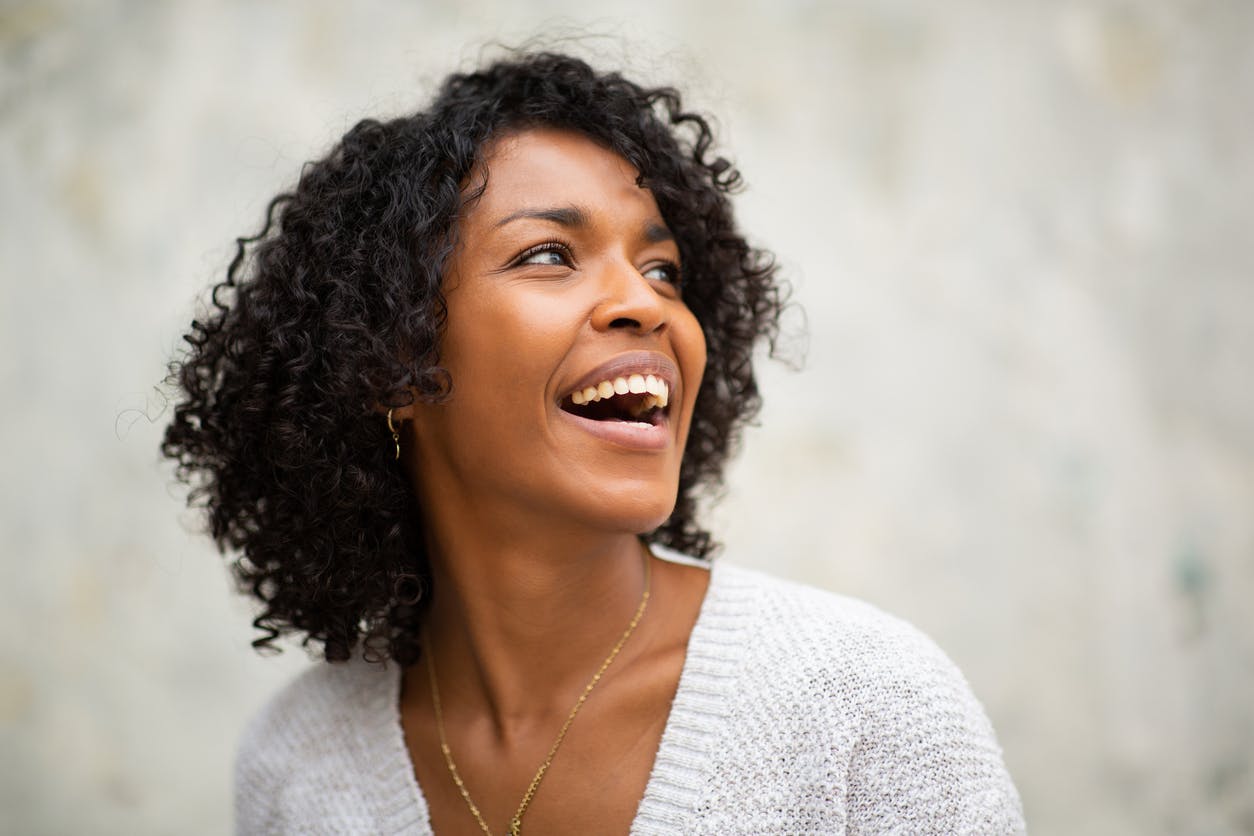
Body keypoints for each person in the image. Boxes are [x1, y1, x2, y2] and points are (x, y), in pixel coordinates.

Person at [163, 50, 1025, 835]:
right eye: (548, 253)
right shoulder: (298, 767)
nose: (647, 304)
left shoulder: (866, 708)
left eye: (663, 270)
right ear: (392, 356)